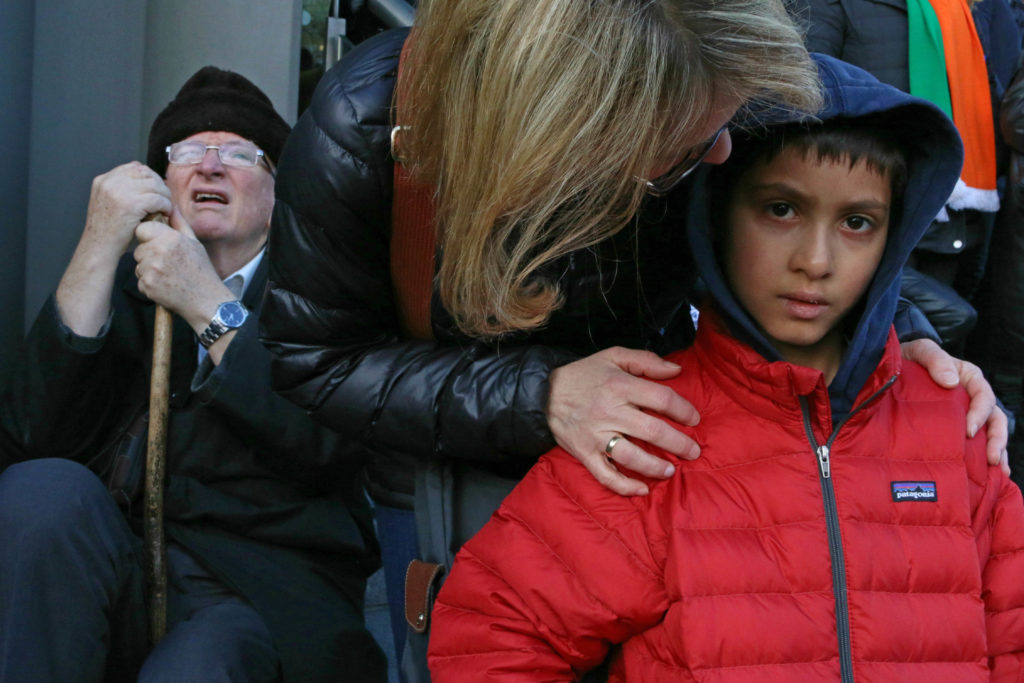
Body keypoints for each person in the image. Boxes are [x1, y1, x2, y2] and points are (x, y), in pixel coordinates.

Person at [261, 0, 1009, 673]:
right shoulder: (370, 125)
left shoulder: (705, 56)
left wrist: (893, 333)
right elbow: (315, 359)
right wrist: (543, 394)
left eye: (729, 123)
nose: (722, 152)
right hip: (455, 474)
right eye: (689, 140)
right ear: (581, 121)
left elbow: (825, 202)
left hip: (671, 435)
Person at [427, 55, 1024, 681]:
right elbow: (492, 635)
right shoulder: (647, 423)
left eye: (857, 223)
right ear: (715, 216)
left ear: (893, 238)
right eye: (781, 210)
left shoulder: (953, 419)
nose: (816, 261)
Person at [0, 67, 385, 682]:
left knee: (197, 669)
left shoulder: (321, 291)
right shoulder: (122, 289)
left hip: (257, 591)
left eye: (238, 153)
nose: (209, 166)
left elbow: (327, 443)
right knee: (40, 490)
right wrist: (98, 247)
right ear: (162, 183)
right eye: (187, 152)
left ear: (279, 190)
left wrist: (206, 304)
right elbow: (29, 440)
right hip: (119, 568)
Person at [795, 0, 1020, 351]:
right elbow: (801, 104)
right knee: (865, 346)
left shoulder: (971, 8)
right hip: (874, 214)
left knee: (941, 354)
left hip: (962, 218)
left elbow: (995, 101)